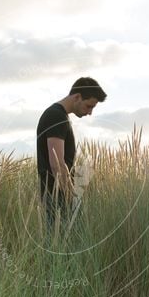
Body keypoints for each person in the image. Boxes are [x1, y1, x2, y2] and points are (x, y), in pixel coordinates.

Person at [36, 77, 107, 233]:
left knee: (59, 246)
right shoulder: (56, 116)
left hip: (54, 195)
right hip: (56, 198)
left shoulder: (58, 115)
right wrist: (71, 200)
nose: (90, 112)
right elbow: (57, 164)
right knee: (60, 246)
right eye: (89, 106)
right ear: (77, 97)